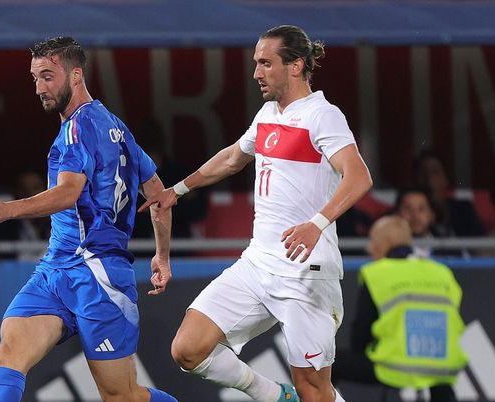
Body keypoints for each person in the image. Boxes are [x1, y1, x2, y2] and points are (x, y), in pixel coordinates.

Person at [140, 25, 373, 402]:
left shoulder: (322, 115)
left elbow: (359, 176)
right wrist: (177, 190)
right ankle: (273, 396)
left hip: (306, 273)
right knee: (188, 348)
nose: (256, 73)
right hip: (258, 264)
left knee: (314, 390)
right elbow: (233, 157)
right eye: (256, 63)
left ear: (296, 66)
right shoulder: (268, 114)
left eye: (266, 63)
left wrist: (317, 223)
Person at [0, 37, 177, 402]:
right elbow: (160, 196)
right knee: (9, 355)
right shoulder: (115, 126)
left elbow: (68, 193)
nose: (39, 88)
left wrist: (9, 210)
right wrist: (162, 255)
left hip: (98, 276)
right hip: (55, 271)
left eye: (48, 77)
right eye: (35, 78)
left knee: (122, 395)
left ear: (76, 74)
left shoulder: (77, 130)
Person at [333, 215, 468, 402]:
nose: (368, 248)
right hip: (443, 366)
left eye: (372, 241)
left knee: (331, 362)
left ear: (386, 242)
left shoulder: (378, 273)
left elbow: (361, 329)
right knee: (439, 383)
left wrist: (364, 353)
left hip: (395, 366)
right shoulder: (441, 272)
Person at [0, 170, 50, 260]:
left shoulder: (55, 221)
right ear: (15, 192)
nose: (30, 194)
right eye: (24, 189)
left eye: (36, 188)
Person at [413, 150, 484, 237]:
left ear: (446, 179)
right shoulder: (412, 216)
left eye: (435, 172)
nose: (429, 179)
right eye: (423, 173)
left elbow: (481, 244)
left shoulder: (464, 210)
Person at [394, 187, 465, 258]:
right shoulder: (389, 251)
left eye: (421, 209)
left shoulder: (451, 250)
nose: (415, 216)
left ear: (432, 215)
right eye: (407, 209)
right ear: (397, 215)